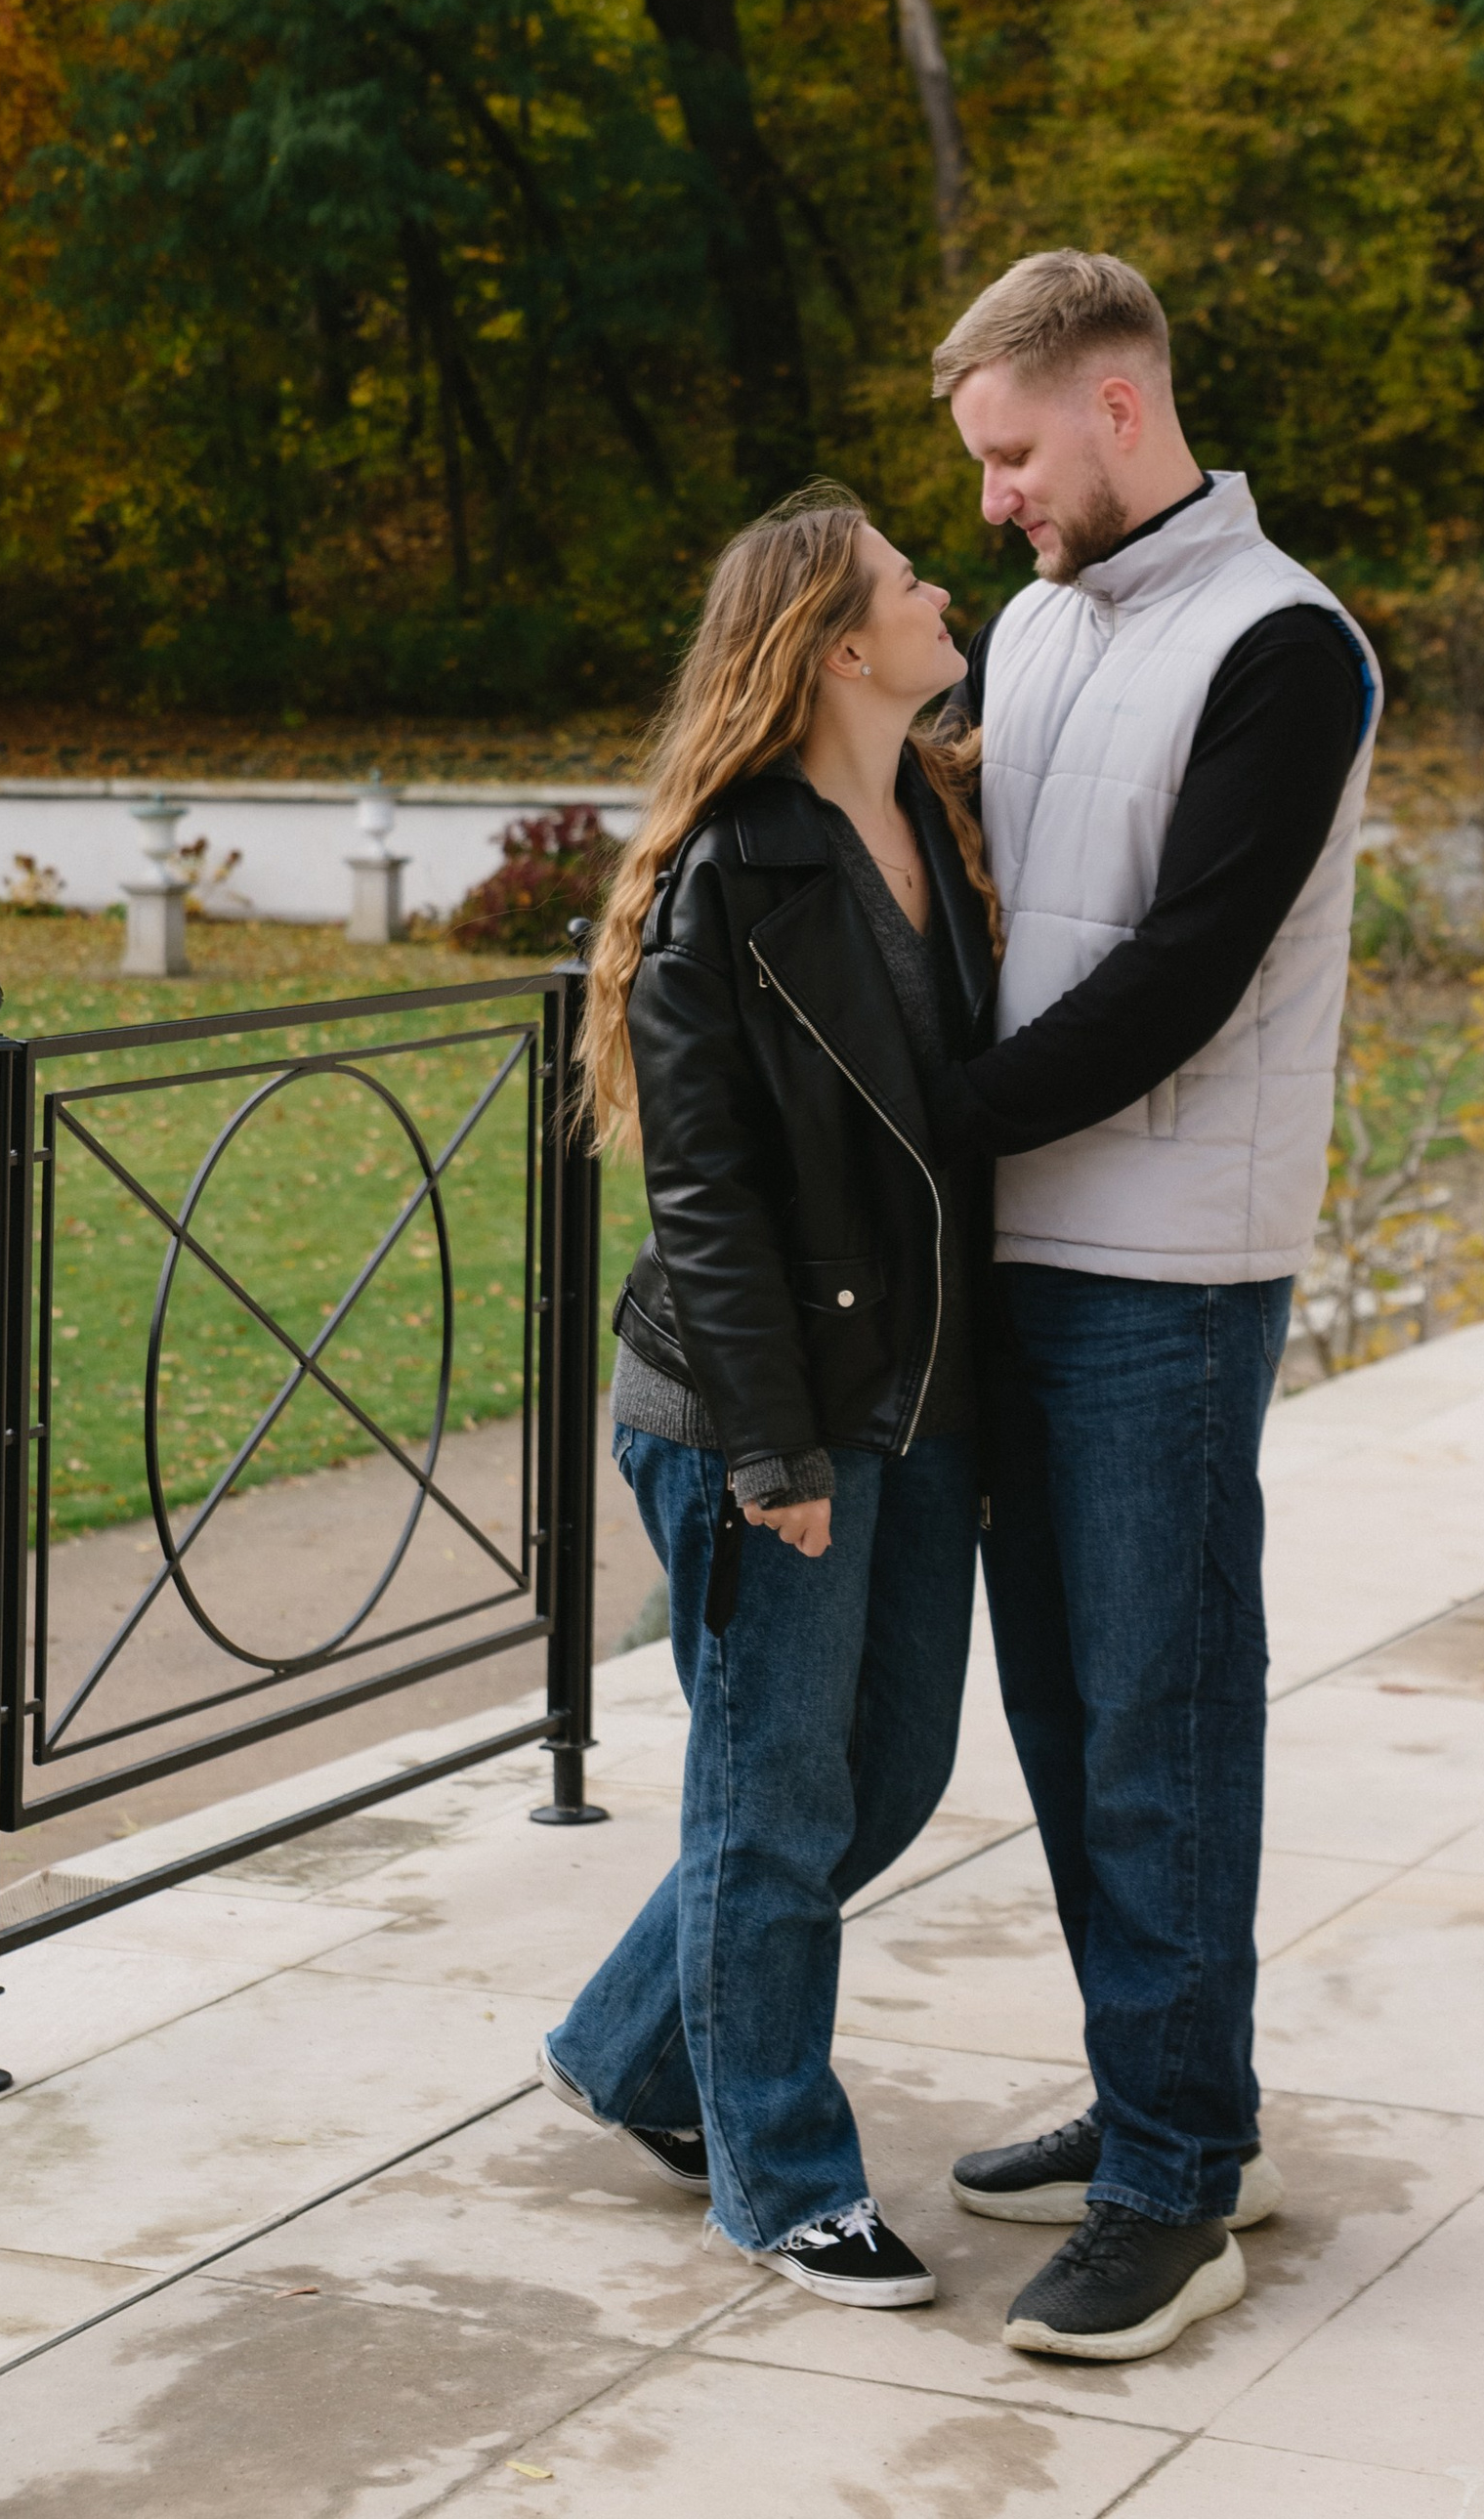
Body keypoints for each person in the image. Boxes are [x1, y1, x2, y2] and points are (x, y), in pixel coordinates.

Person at [928, 250, 1379, 2366]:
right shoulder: (1033, 623)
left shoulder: (1284, 644)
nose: (994, 500)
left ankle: (1176, 2194)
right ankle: (1167, 2101)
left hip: (1168, 1267)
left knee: (1160, 1718)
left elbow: (1186, 970)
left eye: (1013, 453)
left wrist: (929, 1124)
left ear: (1117, 405)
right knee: (1062, 1712)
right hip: (1024, 1241)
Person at [539, 489, 998, 2309]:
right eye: (905, 578)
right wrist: (768, 1447)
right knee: (775, 1800)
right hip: (765, 1405)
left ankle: (628, 2051)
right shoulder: (731, 876)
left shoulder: (936, 814)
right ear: (837, 648)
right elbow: (707, 1195)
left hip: (915, 1394)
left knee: (887, 1774)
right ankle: (784, 2181)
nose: (940, 587)